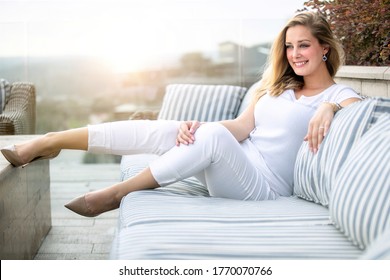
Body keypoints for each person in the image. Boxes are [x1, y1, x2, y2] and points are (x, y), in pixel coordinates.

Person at [1, 11, 361, 218]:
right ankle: (51, 141)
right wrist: (198, 128)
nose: (295, 54)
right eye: (289, 46)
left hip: (261, 189)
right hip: (231, 162)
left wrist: (328, 105)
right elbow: (240, 127)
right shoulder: (279, 87)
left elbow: (361, 110)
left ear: (324, 49)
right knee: (172, 129)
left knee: (211, 137)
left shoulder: (340, 94)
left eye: (304, 45)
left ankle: (115, 194)